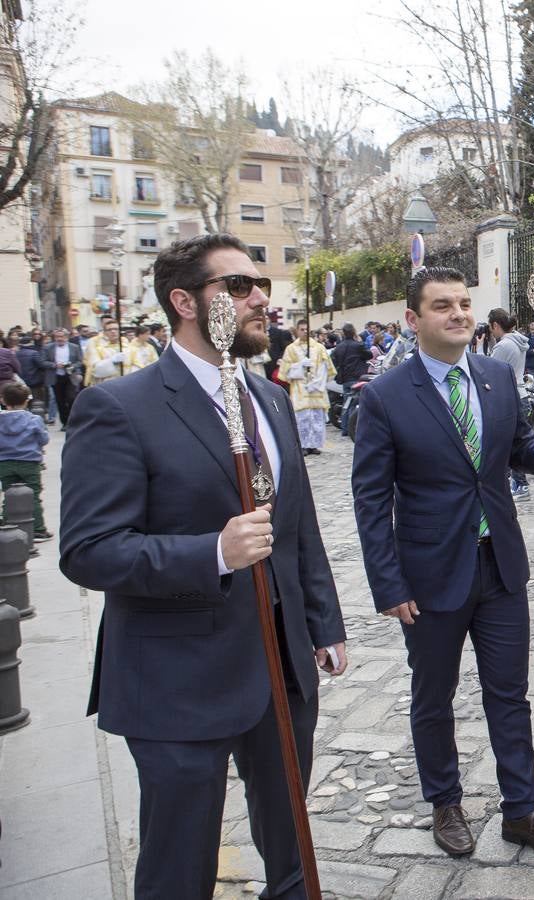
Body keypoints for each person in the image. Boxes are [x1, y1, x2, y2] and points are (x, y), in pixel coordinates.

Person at [60, 232, 347, 898]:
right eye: (239, 286)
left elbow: (297, 531)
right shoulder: (119, 408)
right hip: (176, 678)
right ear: (185, 300)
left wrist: (321, 623)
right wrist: (214, 552)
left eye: (263, 286)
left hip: (280, 665)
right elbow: (88, 548)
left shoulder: (270, 398)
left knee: (293, 841)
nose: (260, 300)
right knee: (178, 866)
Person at [350, 266, 534, 860]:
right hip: (428, 575)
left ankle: (521, 811)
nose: (457, 314)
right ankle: (445, 802)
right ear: (413, 319)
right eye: (441, 305)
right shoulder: (385, 396)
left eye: (463, 304)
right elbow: (371, 500)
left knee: (511, 694)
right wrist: (387, 582)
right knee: (434, 696)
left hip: (499, 565)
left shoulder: (498, 378)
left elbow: (515, 451)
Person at [488, 308, 533, 500]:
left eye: (491, 328)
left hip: (509, 396)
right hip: (521, 393)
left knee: (508, 442)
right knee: (516, 441)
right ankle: (516, 482)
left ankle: (520, 484)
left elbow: (488, 372)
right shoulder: (518, 341)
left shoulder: (504, 346)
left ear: (496, 325)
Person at [276, 322, 338, 456]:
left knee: (316, 419)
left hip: (317, 389)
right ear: (297, 331)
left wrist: (318, 381)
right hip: (300, 389)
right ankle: (303, 445)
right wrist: (299, 366)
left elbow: (328, 368)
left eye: (307, 329)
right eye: (302, 329)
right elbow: (285, 372)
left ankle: (314, 445)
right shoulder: (291, 349)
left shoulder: (319, 348)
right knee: (302, 420)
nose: (304, 331)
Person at [0, 380, 51, 541]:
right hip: (30, 462)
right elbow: (43, 439)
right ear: (27, 400)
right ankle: (38, 529)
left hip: (5, 462)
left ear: (3, 400)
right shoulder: (34, 419)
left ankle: (7, 523)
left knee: (9, 494)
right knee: (33, 495)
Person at [331, 322, 373, 438]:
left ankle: (345, 428)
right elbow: (369, 355)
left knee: (346, 403)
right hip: (357, 377)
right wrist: (359, 340)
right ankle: (350, 429)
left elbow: (334, 360)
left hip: (345, 378)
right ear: (353, 332)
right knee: (354, 404)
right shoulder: (358, 345)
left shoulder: (339, 347)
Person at [40, 327, 83, 426]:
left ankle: (73, 420)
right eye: (57, 337)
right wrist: (55, 365)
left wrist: (72, 365)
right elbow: (42, 362)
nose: (60, 339)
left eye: (62, 336)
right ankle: (65, 422)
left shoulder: (74, 347)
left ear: (67, 337)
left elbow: (80, 361)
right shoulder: (48, 347)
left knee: (71, 398)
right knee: (60, 400)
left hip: (70, 376)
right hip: (56, 376)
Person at [84, 318, 129, 385]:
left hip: (125, 382)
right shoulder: (95, 344)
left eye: (116, 329)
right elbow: (95, 370)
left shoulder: (126, 343)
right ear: (104, 332)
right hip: (106, 384)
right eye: (109, 330)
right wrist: (112, 361)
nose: (113, 331)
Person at [265, 310, 293, 381]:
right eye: (263, 318)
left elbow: (283, 347)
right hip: (262, 365)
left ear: (270, 320)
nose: (265, 320)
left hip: (274, 364)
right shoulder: (257, 332)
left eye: (266, 318)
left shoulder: (278, 332)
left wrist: (280, 358)